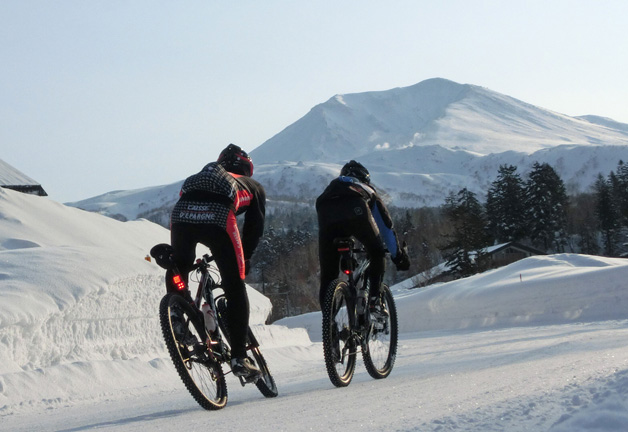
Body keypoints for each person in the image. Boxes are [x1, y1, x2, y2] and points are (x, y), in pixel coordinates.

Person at [169, 144, 266, 380]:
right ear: (246, 169)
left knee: (179, 264)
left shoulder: (200, 176)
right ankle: (239, 357)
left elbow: (189, 201)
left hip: (181, 214)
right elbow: (254, 230)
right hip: (219, 217)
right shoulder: (252, 186)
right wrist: (247, 258)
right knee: (234, 285)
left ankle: (177, 312)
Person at [316, 160, 410, 313]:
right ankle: (375, 300)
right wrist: (397, 255)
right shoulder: (366, 189)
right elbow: (386, 226)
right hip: (357, 211)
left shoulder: (330, 189)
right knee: (377, 252)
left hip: (325, 214)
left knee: (328, 275)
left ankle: (329, 320)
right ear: (364, 178)